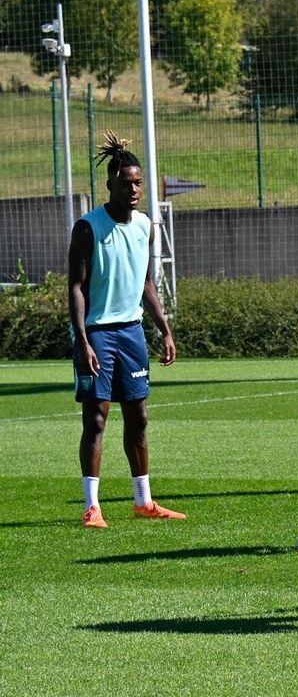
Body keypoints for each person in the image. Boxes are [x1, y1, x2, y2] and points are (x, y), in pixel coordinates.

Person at [68, 131, 185, 528]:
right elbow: (76, 288)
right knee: (96, 419)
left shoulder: (145, 227)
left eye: (138, 183)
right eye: (126, 184)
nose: (134, 190)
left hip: (132, 333)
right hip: (98, 333)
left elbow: (147, 283)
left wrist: (164, 330)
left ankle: (143, 501)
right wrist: (83, 339)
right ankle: (91, 507)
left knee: (138, 418)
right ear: (110, 185)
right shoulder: (88, 227)